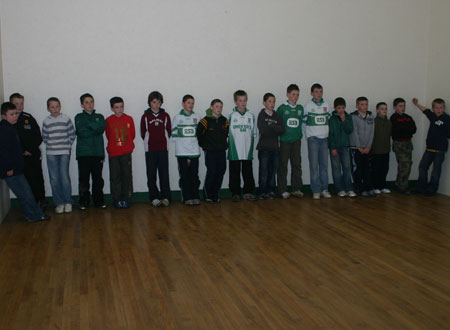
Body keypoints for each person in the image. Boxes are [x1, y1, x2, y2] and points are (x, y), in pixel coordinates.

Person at [0, 102, 50, 222]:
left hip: (16, 167)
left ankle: (32, 215)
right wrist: (8, 168)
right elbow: (4, 151)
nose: (15, 116)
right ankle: (35, 215)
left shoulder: (9, 128)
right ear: (3, 116)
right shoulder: (4, 130)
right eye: (11, 114)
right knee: (25, 194)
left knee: (25, 194)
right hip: (12, 170)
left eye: (16, 113)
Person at [10, 93, 47, 209]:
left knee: (37, 179)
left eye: (21, 103)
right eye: (16, 104)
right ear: (11, 104)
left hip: (33, 155)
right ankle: (29, 206)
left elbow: (38, 136)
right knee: (24, 184)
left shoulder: (28, 118)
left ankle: (41, 201)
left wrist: (30, 150)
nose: (19, 106)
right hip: (19, 158)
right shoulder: (10, 121)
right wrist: (22, 151)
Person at [42, 97, 76, 213]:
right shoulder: (46, 121)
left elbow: (72, 134)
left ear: (60, 107)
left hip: (64, 152)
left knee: (65, 178)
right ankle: (59, 203)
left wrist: (67, 146)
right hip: (51, 153)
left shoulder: (66, 119)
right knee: (54, 179)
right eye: (52, 107)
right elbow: (45, 137)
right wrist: (52, 146)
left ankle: (68, 201)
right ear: (48, 109)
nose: (55, 109)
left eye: (57, 106)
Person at [75, 93, 106, 210]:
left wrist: (89, 126)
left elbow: (101, 128)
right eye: (87, 102)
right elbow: (81, 132)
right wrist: (95, 128)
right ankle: (84, 201)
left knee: (98, 179)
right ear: (82, 105)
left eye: (91, 101)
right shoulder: (79, 117)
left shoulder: (100, 116)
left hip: (97, 153)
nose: (90, 104)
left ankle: (99, 201)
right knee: (83, 180)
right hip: (83, 154)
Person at [412, 98, 450, 195]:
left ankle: (432, 189)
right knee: (422, 167)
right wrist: (417, 104)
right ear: (433, 108)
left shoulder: (447, 118)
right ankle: (421, 187)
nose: (438, 110)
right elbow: (425, 110)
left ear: (444, 108)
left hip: (440, 150)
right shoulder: (432, 116)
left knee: (436, 170)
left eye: (440, 108)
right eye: (436, 108)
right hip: (429, 148)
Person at [140, 91, 171, 207]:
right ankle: (154, 197)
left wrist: (164, 143)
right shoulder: (145, 117)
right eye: (154, 102)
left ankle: (166, 196)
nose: (156, 104)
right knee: (151, 174)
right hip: (150, 150)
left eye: (158, 102)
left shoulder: (165, 116)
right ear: (149, 103)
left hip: (163, 149)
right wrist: (149, 143)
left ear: (161, 103)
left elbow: (169, 130)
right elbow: (143, 133)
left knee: (164, 174)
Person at [105, 96, 135, 208]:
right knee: (115, 177)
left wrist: (128, 147)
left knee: (126, 176)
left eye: (121, 106)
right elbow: (108, 135)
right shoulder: (108, 121)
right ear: (112, 108)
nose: (120, 109)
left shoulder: (129, 119)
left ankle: (126, 198)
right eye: (117, 107)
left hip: (126, 152)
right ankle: (116, 199)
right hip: (113, 153)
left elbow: (132, 134)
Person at [197, 99, 229, 203]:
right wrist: (205, 146)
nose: (219, 108)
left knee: (221, 171)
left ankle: (215, 194)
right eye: (216, 106)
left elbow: (226, 134)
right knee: (212, 172)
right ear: (211, 107)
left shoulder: (224, 120)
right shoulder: (204, 121)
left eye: (220, 106)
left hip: (221, 151)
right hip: (210, 152)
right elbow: (199, 135)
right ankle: (207, 194)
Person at [228, 90, 257, 202]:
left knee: (248, 171)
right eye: (240, 100)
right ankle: (235, 193)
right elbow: (228, 133)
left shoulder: (251, 116)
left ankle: (248, 192)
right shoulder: (231, 115)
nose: (243, 102)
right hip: (235, 149)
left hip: (247, 149)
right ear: (236, 102)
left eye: (244, 100)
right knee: (234, 172)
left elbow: (253, 133)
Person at [172, 95, 201, 206]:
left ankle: (195, 196)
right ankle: (186, 197)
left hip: (194, 152)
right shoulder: (177, 117)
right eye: (188, 102)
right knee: (184, 176)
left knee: (194, 175)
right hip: (182, 152)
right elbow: (174, 134)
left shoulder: (197, 117)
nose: (191, 105)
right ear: (183, 104)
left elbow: (200, 133)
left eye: (192, 103)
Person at [303, 83, 331, 199]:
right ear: (311, 93)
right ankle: (316, 190)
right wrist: (309, 136)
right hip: (313, 139)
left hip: (324, 139)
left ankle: (325, 189)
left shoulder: (326, 105)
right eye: (316, 92)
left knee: (324, 166)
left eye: (320, 92)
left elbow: (327, 120)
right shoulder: (308, 106)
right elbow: (303, 124)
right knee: (314, 166)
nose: (318, 94)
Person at [276, 84, 303, 199]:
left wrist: (298, 136)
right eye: (293, 94)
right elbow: (277, 124)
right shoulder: (282, 108)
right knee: (283, 165)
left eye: (297, 94)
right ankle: (282, 189)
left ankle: (296, 189)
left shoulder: (300, 108)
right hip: (284, 141)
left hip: (296, 141)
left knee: (296, 165)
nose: (295, 97)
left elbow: (301, 123)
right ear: (287, 94)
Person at [257, 93, 285, 199]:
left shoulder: (277, 115)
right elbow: (263, 130)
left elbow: (282, 129)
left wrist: (272, 126)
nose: (272, 104)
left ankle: (271, 190)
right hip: (264, 148)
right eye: (269, 101)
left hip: (275, 148)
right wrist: (275, 128)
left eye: (273, 101)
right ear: (264, 103)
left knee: (273, 171)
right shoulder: (261, 115)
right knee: (263, 171)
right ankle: (262, 191)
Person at [328, 97, 356, 197]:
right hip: (335, 147)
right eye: (339, 108)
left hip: (345, 146)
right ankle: (339, 189)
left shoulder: (348, 117)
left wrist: (344, 120)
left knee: (347, 167)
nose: (341, 110)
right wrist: (332, 148)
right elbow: (330, 134)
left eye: (343, 108)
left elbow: (349, 130)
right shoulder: (331, 119)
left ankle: (349, 188)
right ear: (335, 108)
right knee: (336, 169)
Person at [349, 96, 375, 197]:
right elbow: (354, 132)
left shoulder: (370, 116)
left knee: (367, 169)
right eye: (362, 104)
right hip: (356, 148)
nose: (364, 106)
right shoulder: (353, 116)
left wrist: (368, 146)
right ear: (357, 106)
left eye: (366, 104)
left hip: (367, 148)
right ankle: (359, 188)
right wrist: (359, 146)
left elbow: (372, 132)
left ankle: (368, 187)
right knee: (357, 169)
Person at [390, 98, 416, 194]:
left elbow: (413, 128)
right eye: (400, 106)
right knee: (404, 165)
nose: (403, 108)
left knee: (408, 164)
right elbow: (397, 130)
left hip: (408, 143)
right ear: (395, 107)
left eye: (404, 106)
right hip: (399, 144)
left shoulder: (408, 117)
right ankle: (402, 186)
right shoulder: (394, 118)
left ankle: (400, 183)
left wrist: (405, 128)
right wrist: (405, 128)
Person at [370, 102, 392, 194]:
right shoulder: (373, 122)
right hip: (376, 150)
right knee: (376, 169)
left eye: (386, 109)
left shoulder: (389, 122)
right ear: (377, 110)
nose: (384, 110)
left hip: (385, 150)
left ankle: (382, 186)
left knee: (384, 168)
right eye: (382, 109)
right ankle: (375, 186)